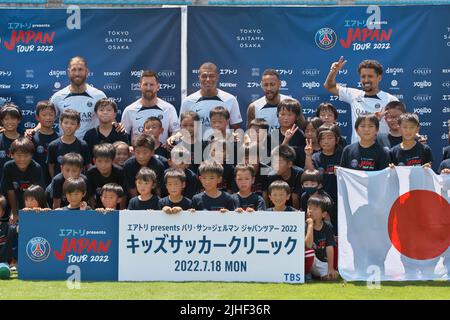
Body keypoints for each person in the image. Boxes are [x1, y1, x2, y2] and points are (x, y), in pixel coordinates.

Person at [324, 57, 398, 143]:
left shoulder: (390, 100)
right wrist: (334, 71)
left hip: (382, 152)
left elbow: (400, 125)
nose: (366, 80)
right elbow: (329, 86)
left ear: (379, 78)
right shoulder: (354, 95)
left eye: (370, 76)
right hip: (358, 151)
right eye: (363, 76)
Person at [46, 56, 107, 139]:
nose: (77, 73)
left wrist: (117, 125)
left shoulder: (99, 95)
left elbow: (108, 118)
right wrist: (34, 130)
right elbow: (47, 117)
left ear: (87, 71)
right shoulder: (58, 97)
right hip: (66, 146)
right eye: (74, 70)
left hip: (91, 146)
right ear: (68, 72)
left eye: (80, 69)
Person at [179, 62, 242, 140]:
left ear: (217, 77)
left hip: (222, 149)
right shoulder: (188, 101)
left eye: (211, 76)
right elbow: (182, 128)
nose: (208, 79)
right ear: (199, 77)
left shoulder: (230, 99)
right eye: (204, 76)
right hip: (196, 149)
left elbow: (236, 129)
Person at [121, 70, 179, 144]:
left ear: (158, 87)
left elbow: (176, 132)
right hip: (139, 154)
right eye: (145, 84)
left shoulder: (169, 108)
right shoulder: (129, 110)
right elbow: (123, 136)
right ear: (140, 87)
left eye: (151, 84)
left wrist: (172, 138)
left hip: (162, 154)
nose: (148, 88)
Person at [2, 137, 45, 222]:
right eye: (18, 155)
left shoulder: (36, 168)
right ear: (12, 154)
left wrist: (33, 211)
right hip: (15, 202)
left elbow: (38, 193)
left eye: (26, 155)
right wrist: (14, 212)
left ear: (31, 155)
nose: (22, 159)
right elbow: (10, 191)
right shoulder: (8, 167)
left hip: (33, 204)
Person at [306, 125, 342, 221]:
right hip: (321, 199)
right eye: (323, 139)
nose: (326, 141)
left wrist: (342, 172)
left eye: (330, 138)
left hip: (340, 198)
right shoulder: (315, 157)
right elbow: (310, 174)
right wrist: (308, 156)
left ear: (337, 139)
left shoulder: (343, 154)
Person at [47, 109, 91, 178]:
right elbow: (51, 167)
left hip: (77, 185)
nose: (68, 126)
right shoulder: (53, 145)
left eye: (72, 123)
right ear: (61, 124)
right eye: (66, 123)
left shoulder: (83, 145)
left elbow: (87, 166)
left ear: (78, 126)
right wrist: (56, 181)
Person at [304, 196, 338, 280]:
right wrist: (310, 225)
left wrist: (331, 268)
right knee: (309, 252)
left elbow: (329, 247)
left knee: (334, 276)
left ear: (323, 214)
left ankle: (320, 274)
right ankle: (307, 274)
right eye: (309, 208)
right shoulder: (305, 225)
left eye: (315, 209)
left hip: (321, 262)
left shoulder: (327, 226)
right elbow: (308, 245)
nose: (311, 211)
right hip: (306, 261)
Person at [123, 134, 165, 198]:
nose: (141, 156)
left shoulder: (158, 165)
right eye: (138, 152)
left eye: (145, 153)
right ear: (133, 151)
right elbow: (131, 187)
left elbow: (158, 188)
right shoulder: (128, 165)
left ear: (152, 152)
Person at [86, 143, 125, 209]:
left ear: (112, 161)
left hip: (116, 209)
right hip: (98, 209)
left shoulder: (119, 172)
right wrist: (93, 211)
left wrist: (121, 211)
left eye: (107, 161)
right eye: (99, 161)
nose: (103, 165)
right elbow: (91, 194)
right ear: (94, 161)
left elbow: (123, 195)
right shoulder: (91, 172)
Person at [264, 145, 303, 209]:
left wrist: (296, 215)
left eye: (279, 162)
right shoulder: (271, 176)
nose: (275, 165)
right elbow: (268, 197)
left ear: (289, 164)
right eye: (274, 162)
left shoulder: (299, 174)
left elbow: (295, 197)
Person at [31, 100, 59, 186]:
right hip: (37, 181)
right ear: (37, 117)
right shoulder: (31, 138)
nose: (48, 118)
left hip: (55, 182)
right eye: (44, 115)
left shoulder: (60, 138)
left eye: (51, 115)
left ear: (55, 117)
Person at [276, 98, 306, 168]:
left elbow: (300, 161)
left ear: (297, 117)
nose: (286, 118)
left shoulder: (301, 136)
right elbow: (273, 160)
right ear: (277, 115)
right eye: (282, 114)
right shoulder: (272, 135)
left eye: (290, 115)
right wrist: (286, 141)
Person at [0, 104, 22, 171]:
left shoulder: (25, 140)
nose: (10, 122)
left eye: (13, 118)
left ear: (19, 120)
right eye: (6, 119)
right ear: (2, 121)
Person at [0, 195, 17, 266]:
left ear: (2, 212)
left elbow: (23, 229)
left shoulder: (8, 227)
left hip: (3, 263)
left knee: (4, 270)